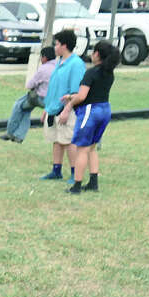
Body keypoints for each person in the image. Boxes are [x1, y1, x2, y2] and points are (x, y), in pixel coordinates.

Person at [60, 39, 118, 194]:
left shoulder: (91, 73)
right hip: (105, 109)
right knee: (92, 147)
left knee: (82, 149)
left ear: (97, 54)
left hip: (90, 112)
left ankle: (77, 186)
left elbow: (83, 96)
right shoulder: (109, 73)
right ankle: (93, 182)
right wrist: (73, 96)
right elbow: (93, 93)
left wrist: (70, 104)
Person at [40, 30, 85, 181]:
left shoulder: (76, 64)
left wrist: (67, 110)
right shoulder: (59, 62)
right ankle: (56, 170)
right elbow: (53, 88)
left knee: (68, 141)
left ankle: (74, 173)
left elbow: (75, 92)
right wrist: (47, 109)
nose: (55, 47)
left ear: (64, 45)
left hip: (67, 110)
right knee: (57, 139)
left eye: (57, 44)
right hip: (53, 109)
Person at [0, 45, 56, 144]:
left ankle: (10, 133)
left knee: (18, 106)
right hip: (53, 99)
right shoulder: (58, 66)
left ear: (45, 58)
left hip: (40, 98)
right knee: (26, 109)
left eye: (41, 57)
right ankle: (18, 136)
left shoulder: (43, 69)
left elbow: (29, 85)